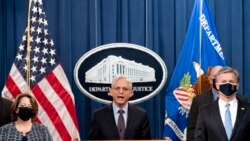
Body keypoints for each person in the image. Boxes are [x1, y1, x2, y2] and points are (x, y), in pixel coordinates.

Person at [187, 66, 247, 141]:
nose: (227, 84)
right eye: (223, 81)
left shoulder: (247, 109)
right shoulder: (204, 111)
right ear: (217, 84)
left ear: (237, 85)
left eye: (231, 81)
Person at [88, 75, 151, 140]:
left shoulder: (141, 115)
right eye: (117, 88)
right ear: (111, 92)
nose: (121, 92)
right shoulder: (98, 116)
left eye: (125, 89)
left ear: (131, 93)